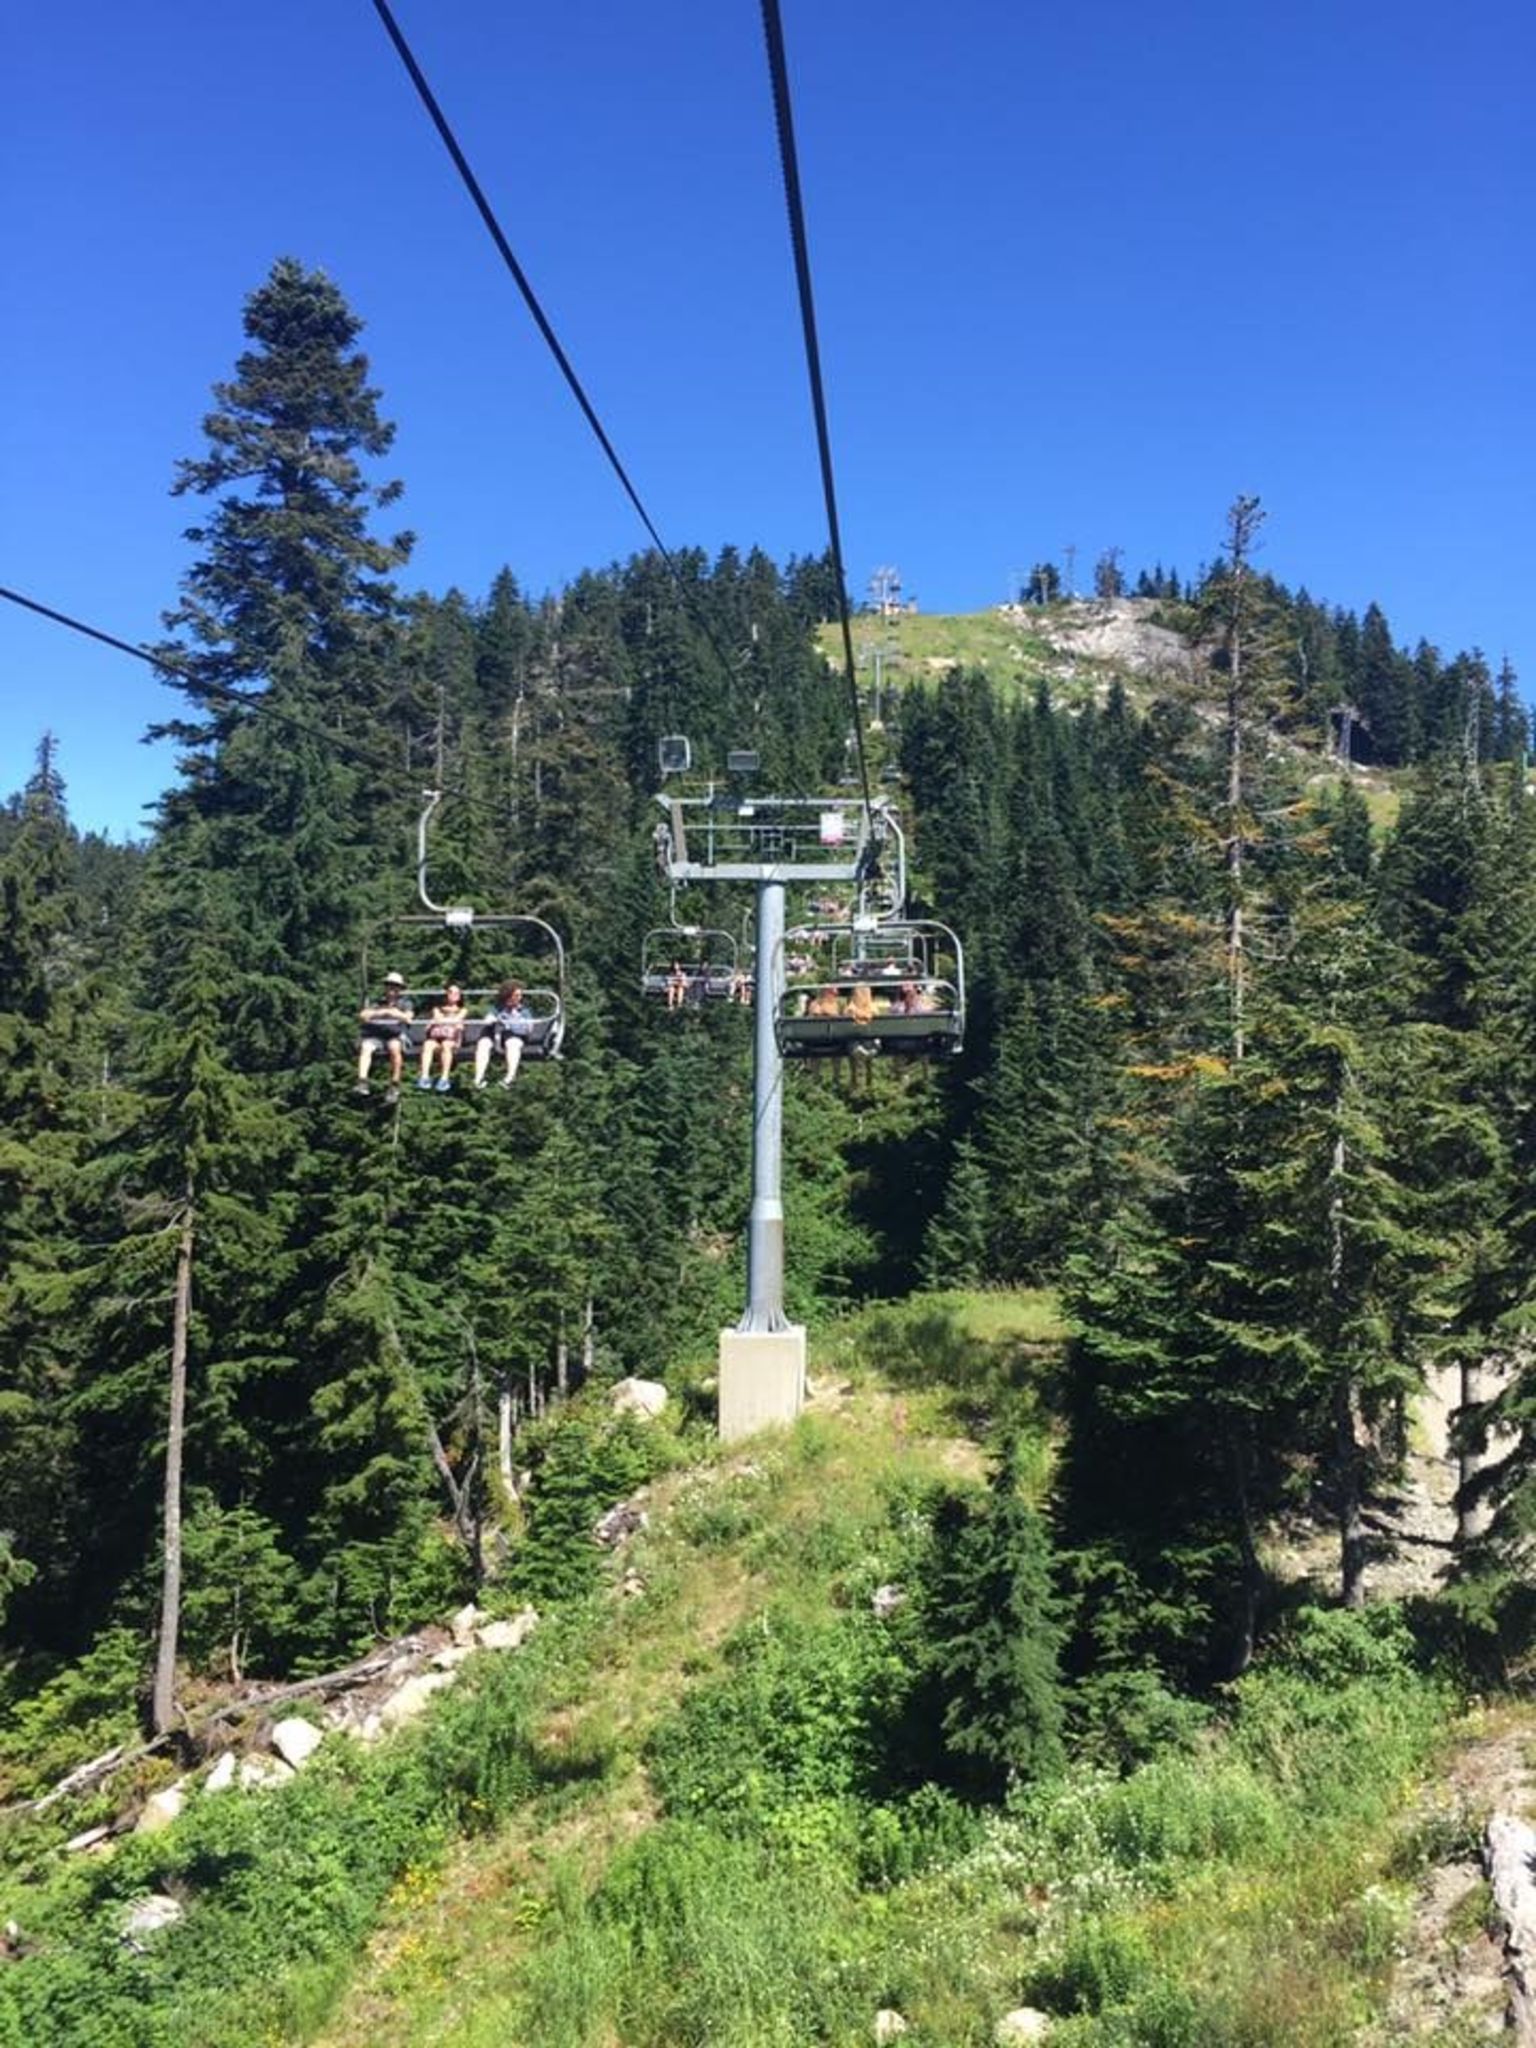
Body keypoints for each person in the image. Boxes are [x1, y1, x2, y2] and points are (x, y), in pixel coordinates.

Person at [356, 972, 413, 1102]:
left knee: (394, 1048)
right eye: (389, 985)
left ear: (400, 989)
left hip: (395, 1035)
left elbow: (408, 1017)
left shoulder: (405, 1003)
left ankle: (394, 1083)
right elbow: (363, 1015)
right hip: (376, 1035)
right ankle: (362, 1081)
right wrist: (386, 1012)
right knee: (366, 1047)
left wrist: (394, 1013)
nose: (391, 989)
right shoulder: (378, 1002)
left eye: (395, 986)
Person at [474, 980, 533, 1089]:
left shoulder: (523, 1011)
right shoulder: (498, 1009)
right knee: (483, 1044)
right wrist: (492, 1019)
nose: (519, 998)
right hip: (496, 1035)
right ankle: (479, 1077)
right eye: (516, 995)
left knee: (512, 1044)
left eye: (520, 995)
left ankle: (510, 1077)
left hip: (513, 1035)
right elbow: (488, 1019)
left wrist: (512, 1023)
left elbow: (528, 1028)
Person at [418, 983, 467, 1092]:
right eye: (451, 992)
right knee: (427, 1045)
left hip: (452, 1038)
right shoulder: (437, 1009)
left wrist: (445, 1020)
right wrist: (449, 1020)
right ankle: (425, 1076)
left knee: (446, 1045)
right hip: (436, 1037)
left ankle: (444, 1077)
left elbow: (455, 1019)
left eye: (456, 993)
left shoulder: (462, 1010)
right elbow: (438, 1018)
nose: (454, 995)